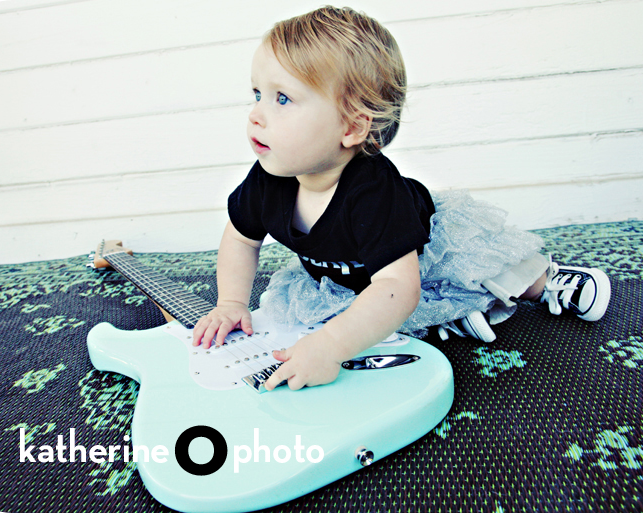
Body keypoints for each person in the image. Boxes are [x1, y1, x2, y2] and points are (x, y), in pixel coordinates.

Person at [192, 6, 610, 391]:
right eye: (257, 94)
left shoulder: (375, 192)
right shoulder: (270, 177)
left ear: (351, 128)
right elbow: (241, 239)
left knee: (487, 267)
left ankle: (547, 282)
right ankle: (457, 315)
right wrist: (231, 302)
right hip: (359, 280)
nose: (256, 114)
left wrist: (330, 347)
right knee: (350, 316)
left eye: (282, 99)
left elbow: (398, 286)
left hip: (425, 253)